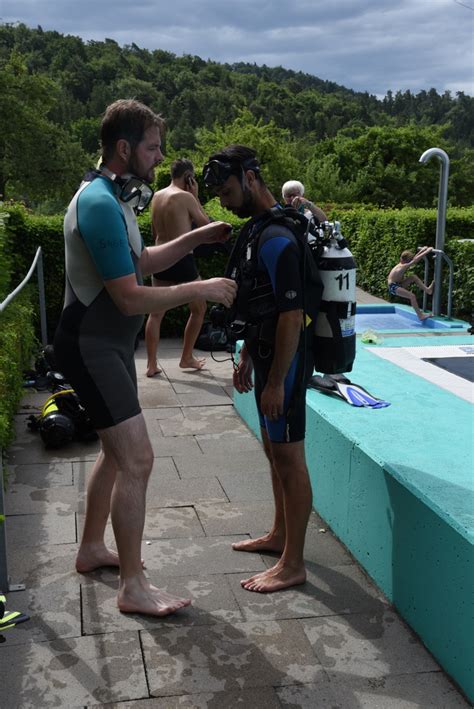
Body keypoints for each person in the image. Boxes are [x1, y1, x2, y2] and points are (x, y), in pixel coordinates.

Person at [53, 99, 236, 617]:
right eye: (153, 147)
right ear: (124, 148)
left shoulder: (114, 197)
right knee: (137, 458)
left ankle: (91, 550)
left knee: (117, 453)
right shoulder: (97, 203)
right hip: (92, 347)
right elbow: (130, 296)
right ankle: (133, 587)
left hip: (107, 345)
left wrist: (199, 235)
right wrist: (200, 287)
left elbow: (143, 260)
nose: (159, 158)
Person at [203, 145, 315, 594]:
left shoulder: (279, 239)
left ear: (251, 177)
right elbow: (260, 303)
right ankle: (279, 535)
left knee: (289, 457)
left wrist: (274, 383)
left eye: (228, 190)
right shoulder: (257, 232)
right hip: (267, 356)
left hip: (286, 363)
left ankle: (294, 564)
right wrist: (248, 354)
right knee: (274, 450)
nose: (224, 201)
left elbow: (291, 315)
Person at [145, 159, 210, 377]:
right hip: (181, 257)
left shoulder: (157, 196)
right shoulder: (185, 197)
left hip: (159, 256)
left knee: (155, 313)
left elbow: (154, 232)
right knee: (199, 308)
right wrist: (196, 196)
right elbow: (206, 226)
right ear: (188, 177)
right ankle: (186, 358)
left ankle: (151, 365)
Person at [387, 246, 434, 320]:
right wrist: (427, 251)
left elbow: (413, 259)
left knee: (413, 277)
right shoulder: (402, 266)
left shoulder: (402, 263)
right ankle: (420, 316)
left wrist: (422, 251)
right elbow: (415, 260)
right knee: (412, 296)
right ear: (406, 261)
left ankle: (428, 290)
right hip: (393, 287)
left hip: (398, 284)